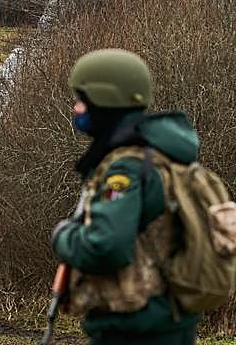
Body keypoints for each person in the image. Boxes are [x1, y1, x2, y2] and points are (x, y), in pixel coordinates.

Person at [51, 48, 202, 345]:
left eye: (82, 100)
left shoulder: (127, 168)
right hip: (165, 319)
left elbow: (106, 246)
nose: (76, 108)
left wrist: (63, 236)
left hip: (138, 326)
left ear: (105, 102)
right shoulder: (160, 154)